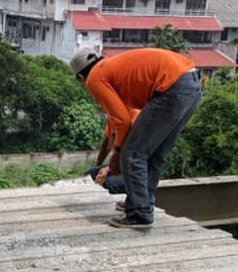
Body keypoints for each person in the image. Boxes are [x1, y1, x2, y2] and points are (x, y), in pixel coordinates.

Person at [70, 47, 202, 229]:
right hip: (191, 84)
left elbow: (122, 121)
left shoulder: (95, 78)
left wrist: (117, 152)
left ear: (80, 78)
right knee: (155, 154)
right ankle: (139, 202)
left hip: (172, 86)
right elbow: (120, 121)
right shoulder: (112, 67)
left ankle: (140, 213)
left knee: (132, 154)